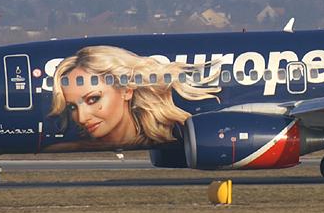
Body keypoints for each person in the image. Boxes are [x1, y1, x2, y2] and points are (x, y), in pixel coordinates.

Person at [48, 45, 218, 148]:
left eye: (93, 99)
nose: (82, 118)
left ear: (127, 90)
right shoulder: (65, 146)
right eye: (72, 107)